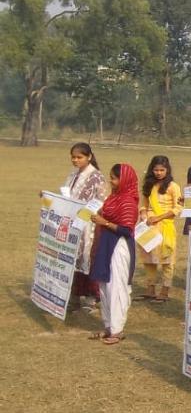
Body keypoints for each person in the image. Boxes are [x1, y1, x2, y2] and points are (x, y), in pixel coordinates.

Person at [88, 164, 139, 344]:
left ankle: (117, 330)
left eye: (115, 178)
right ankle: (108, 326)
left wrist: (104, 222)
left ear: (124, 180)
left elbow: (126, 229)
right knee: (104, 284)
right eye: (111, 177)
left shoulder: (128, 201)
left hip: (119, 245)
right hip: (106, 242)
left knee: (116, 286)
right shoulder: (114, 197)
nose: (111, 181)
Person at [64, 142, 107, 310]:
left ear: (89, 157)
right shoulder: (73, 174)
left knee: (87, 257)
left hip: (89, 224)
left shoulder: (96, 176)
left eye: (79, 157)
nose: (75, 160)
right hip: (72, 222)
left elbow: (101, 200)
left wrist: (86, 213)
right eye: (73, 157)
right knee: (73, 257)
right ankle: (75, 294)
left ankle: (92, 295)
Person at [138, 156, 182, 303]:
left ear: (167, 170)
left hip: (165, 226)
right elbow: (144, 205)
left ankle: (165, 291)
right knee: (149, 259)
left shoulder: (173, 187)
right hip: (149, 226)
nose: (158, 173)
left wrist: (159, 217)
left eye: (162, 170)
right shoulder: (149, 185)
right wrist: (144, 215)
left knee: (167, 260)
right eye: (156, 170)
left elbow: (177, 208)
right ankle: (150, 289)